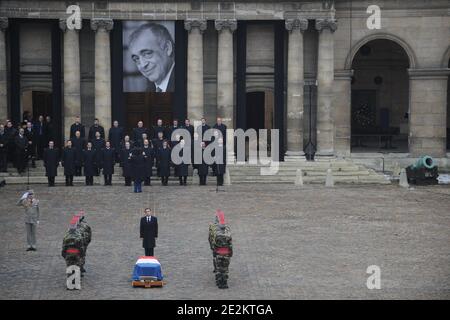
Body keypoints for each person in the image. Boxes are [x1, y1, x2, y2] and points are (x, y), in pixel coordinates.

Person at [128, 23, 175, 93]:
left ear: (167, 48)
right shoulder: (149, 89)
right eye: (136, 59)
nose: (143, 65)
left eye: (147, 54)